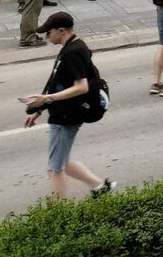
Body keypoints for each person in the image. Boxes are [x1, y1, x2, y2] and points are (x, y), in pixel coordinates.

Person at [22, 11, 115, 199]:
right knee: (62, 161)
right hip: (65, 112)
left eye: (49, 33)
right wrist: (39, 109)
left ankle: (60, 215)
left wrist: (46, 100)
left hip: (67, 115)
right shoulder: (71, 46)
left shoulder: (74, 52)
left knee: (55, 168)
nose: (46, 37)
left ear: (62, 31)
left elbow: (81, 87)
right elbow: (56, 81)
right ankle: (99, 186)